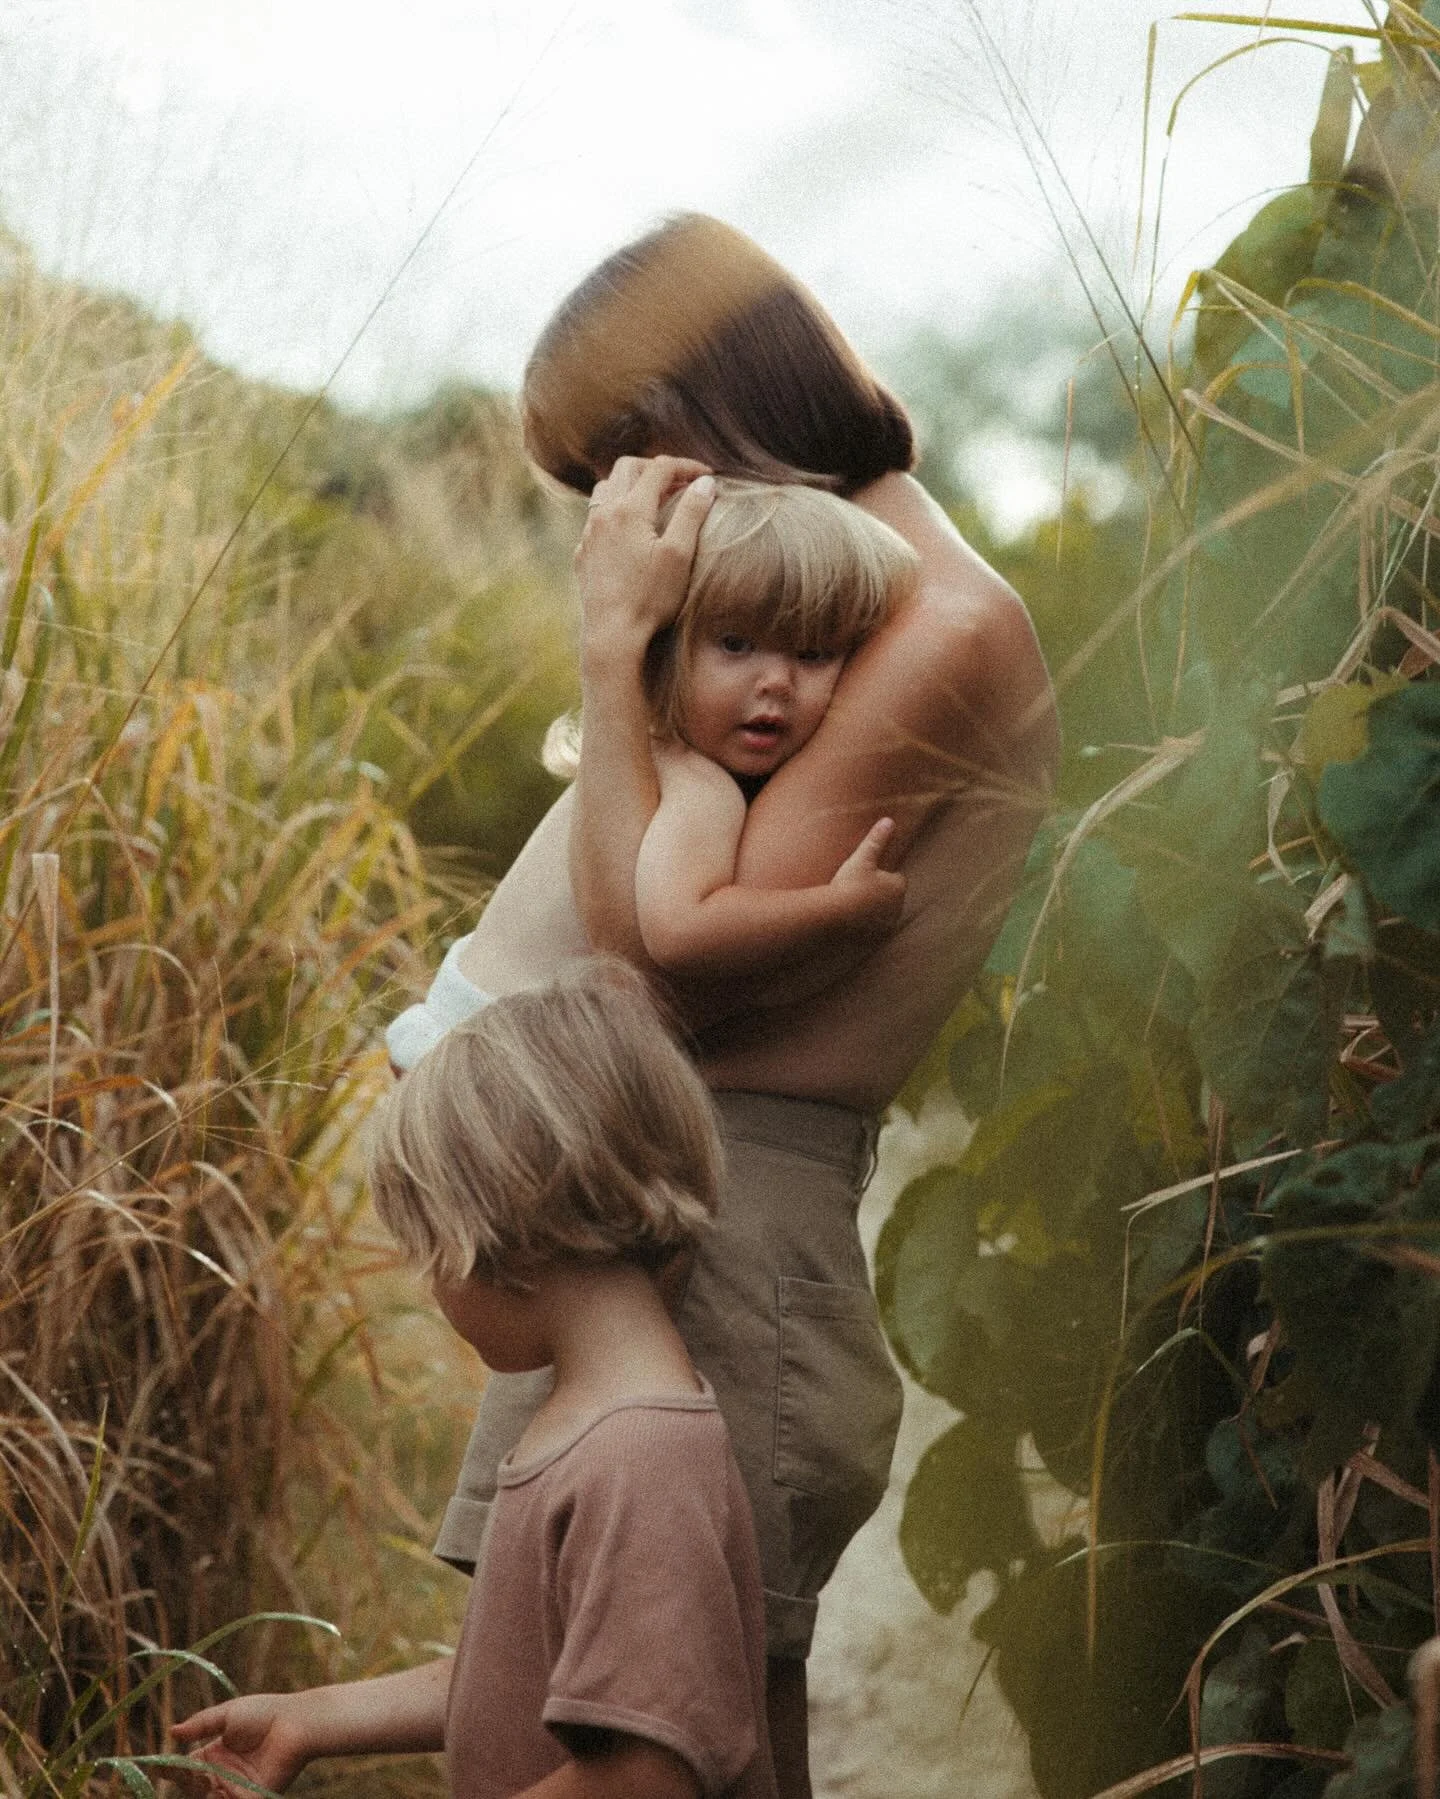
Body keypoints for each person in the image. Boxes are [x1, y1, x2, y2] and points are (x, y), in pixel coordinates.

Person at [391, 213, 1061, 1799]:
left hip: (736, 1207)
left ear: (718, 409)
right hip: (675, 1197)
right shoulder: (829, 598)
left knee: (694, 1736)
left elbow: (653, 959)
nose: (627, 512)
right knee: (576, 1677)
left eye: (629, 459)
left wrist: (615, 634)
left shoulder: (933, 627)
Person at [174, 961, 778, 1799]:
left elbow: (647, 1775)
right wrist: (310, 1718)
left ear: (501, 1237)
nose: (434, 1287)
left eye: (433, 1256)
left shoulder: (636, 1460)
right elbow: (540, 1680)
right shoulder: (601, 1426)